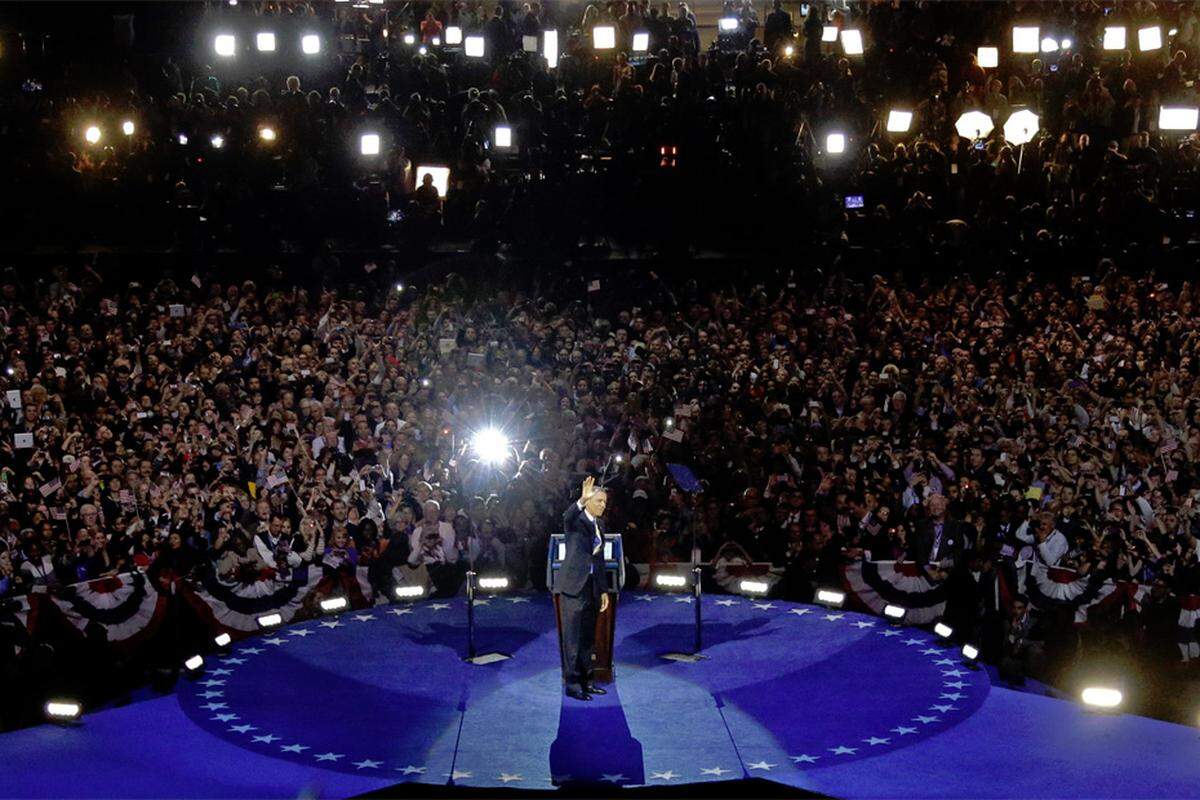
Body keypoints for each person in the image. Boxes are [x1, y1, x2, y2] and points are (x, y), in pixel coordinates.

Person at [555, 476, 611, 701]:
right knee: (572, 641)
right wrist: (580, 499)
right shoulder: (575, 521)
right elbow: (566, 516)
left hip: (592, 589)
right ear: (588, 501)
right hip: (573, 588)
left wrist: (604, 590)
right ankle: (573, 684)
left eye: (605, 502)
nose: (602, 505)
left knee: (588, 639)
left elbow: (599, 562)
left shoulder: (601, 525)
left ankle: (588, 682)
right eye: (598, 501)